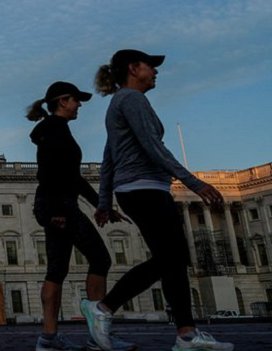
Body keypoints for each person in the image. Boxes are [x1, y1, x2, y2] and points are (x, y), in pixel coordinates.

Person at [81, 50, 233, 351]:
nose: (156, 72)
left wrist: (103, 202)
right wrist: (193, 181)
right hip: (144, 187)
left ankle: (186, 334)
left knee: (174, 260)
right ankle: (104, 307)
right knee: (170, 259)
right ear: (134, 68)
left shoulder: (118, 103)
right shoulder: (132, 100)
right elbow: (152, 146)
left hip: (137, 188)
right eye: (151, 66)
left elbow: (108, 158)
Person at [27, 81, 134, 351]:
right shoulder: (55, 129)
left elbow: (72, 177)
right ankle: (100, 334)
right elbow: (52, 171)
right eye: (76, 100)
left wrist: (101, 205)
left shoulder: (53, 129)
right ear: (62, 101)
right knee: (100, 258)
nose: (79, 105)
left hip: (52, 202)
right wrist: (59, 211)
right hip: (58, 202)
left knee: (57, 270)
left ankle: (48, 338)